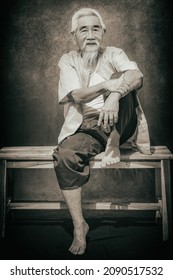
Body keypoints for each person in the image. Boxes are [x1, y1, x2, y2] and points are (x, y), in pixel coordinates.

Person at [53, 8, 151, 255]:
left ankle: (115, 141)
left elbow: (137, 76)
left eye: (95, 28)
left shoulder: (114, 53)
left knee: (125, 79)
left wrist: (115, 94)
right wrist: (107, 85)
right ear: (74, 35)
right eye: (83, 29)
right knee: (64, 155)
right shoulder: (68, 60)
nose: (90, 34)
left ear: (103, 32)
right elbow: (75, 95)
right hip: (89, 128)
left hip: (121, 120)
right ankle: (79, 226)